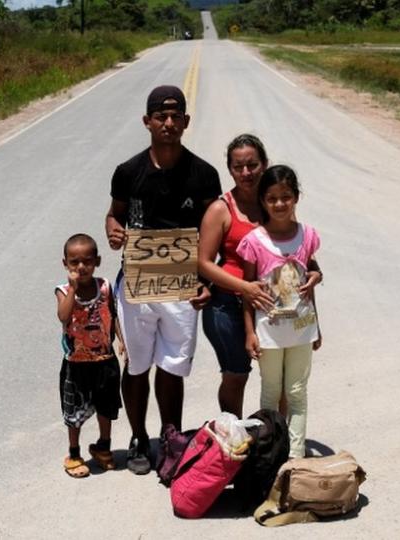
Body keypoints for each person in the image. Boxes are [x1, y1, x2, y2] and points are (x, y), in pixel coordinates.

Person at [105, 85, 221, 475]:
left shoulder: (204, 174)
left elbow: (213, 232)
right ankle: (139, 437)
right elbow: (114, 214)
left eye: (176, 117)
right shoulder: (128, 172)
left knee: (173, 366)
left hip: (182, 287)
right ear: (148, 121)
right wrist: (114, 231)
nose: (168, 123)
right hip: (138, 285)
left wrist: (209, 279)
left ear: (186, 122)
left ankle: (170, 438)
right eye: (161, 116)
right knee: (137, 364)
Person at [198, 135, 320, 418]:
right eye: (238, 167)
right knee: (236, 375)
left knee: (281, 379)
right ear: (229, 169)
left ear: (265, 164)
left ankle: (278, 440)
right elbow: (204, 263)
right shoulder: (221, 209)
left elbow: (301, 253)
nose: (246, 173)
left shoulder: (274, 202)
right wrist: (245, 287)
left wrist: (316, 273)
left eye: (252, 165)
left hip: (278, 308)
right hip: (227, 306)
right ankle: (233, 439)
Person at [238, 165, 322, 459]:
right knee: (271, 393)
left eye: (286, 196)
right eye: (272, 198)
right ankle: (269, 454)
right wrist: (249, 331)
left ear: (296, 197)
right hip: (268, 334)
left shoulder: (307, 236)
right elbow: (248, 291)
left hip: (302, 330)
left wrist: (317, 327)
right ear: (263, 201)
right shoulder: (255, 242)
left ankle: (295, 458)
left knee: (297, 393)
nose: (279, 204)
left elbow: (309, 281)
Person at [55, 233, 123, 478]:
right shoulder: (63, 291)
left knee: (106, 406)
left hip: (105, 360)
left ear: (97, 261)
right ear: (66, 264)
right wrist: (73, 290)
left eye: (87, 261)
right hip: (77, 364)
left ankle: (103, 446)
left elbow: (112, 316)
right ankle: (74, 453)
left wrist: (122, 341)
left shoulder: (104, 286)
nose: (81, 267)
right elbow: (63, 316)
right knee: (74, 412)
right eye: (74, 262)